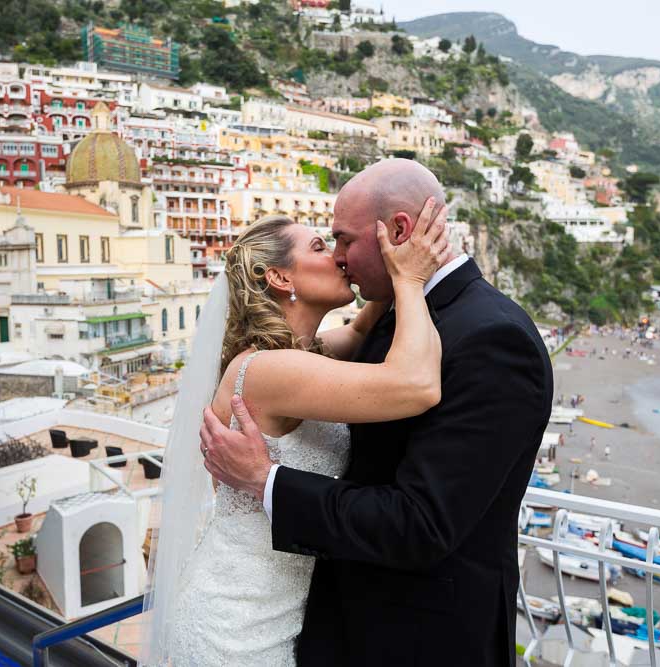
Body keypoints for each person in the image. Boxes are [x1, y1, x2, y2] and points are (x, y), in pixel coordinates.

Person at [199, 158, 553, 666]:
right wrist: (400, 282)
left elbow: (422, 523)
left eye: (342, 240)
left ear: (400, 231)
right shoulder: (396, 325)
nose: (340, 257)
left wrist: (266, 479)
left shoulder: (491, 338)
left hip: (418, 640)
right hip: (299, 616)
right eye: (327, 245)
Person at [142, 167, 451, 666]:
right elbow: (416, 383)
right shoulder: (269, 371)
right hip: (237, 627)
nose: (337, 256)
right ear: (281, 277)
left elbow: (354, 334)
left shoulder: (300, 355)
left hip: (275, 614)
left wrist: (391, 266)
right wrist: (413, 280)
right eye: (318, 247)